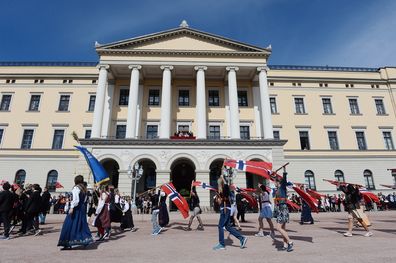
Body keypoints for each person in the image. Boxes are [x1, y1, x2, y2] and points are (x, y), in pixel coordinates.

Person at [58, 175, 93, 249]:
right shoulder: (84, 188)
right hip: (82, 208)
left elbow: (76, 200)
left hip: (77, 208)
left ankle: (67, 243)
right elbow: (84, 200)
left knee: (68, 224)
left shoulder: (76, 188)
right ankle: (85, 239)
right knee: (81, 224)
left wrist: (72, 207)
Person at [213, 176, 247, 250]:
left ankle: (221, 244)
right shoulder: (221, 189)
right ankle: (242, 238)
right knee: (228, 227)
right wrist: (218, 198)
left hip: (225, 209)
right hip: (224, 208)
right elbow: (220, 201)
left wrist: (220, 196)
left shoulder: (225, 187)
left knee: (220, 226)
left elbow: (225, 197)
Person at [272, 171, 294, 252]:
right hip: (281, 208)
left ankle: (290, 242)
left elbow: (284, 181)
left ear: (278, 182)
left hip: (283, 208)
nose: (274, 183)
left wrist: (284, 173)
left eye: (275, 182)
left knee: (278, 227)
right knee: (283, 228)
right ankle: (285, 245)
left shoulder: (282, 187)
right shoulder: (278, 189)